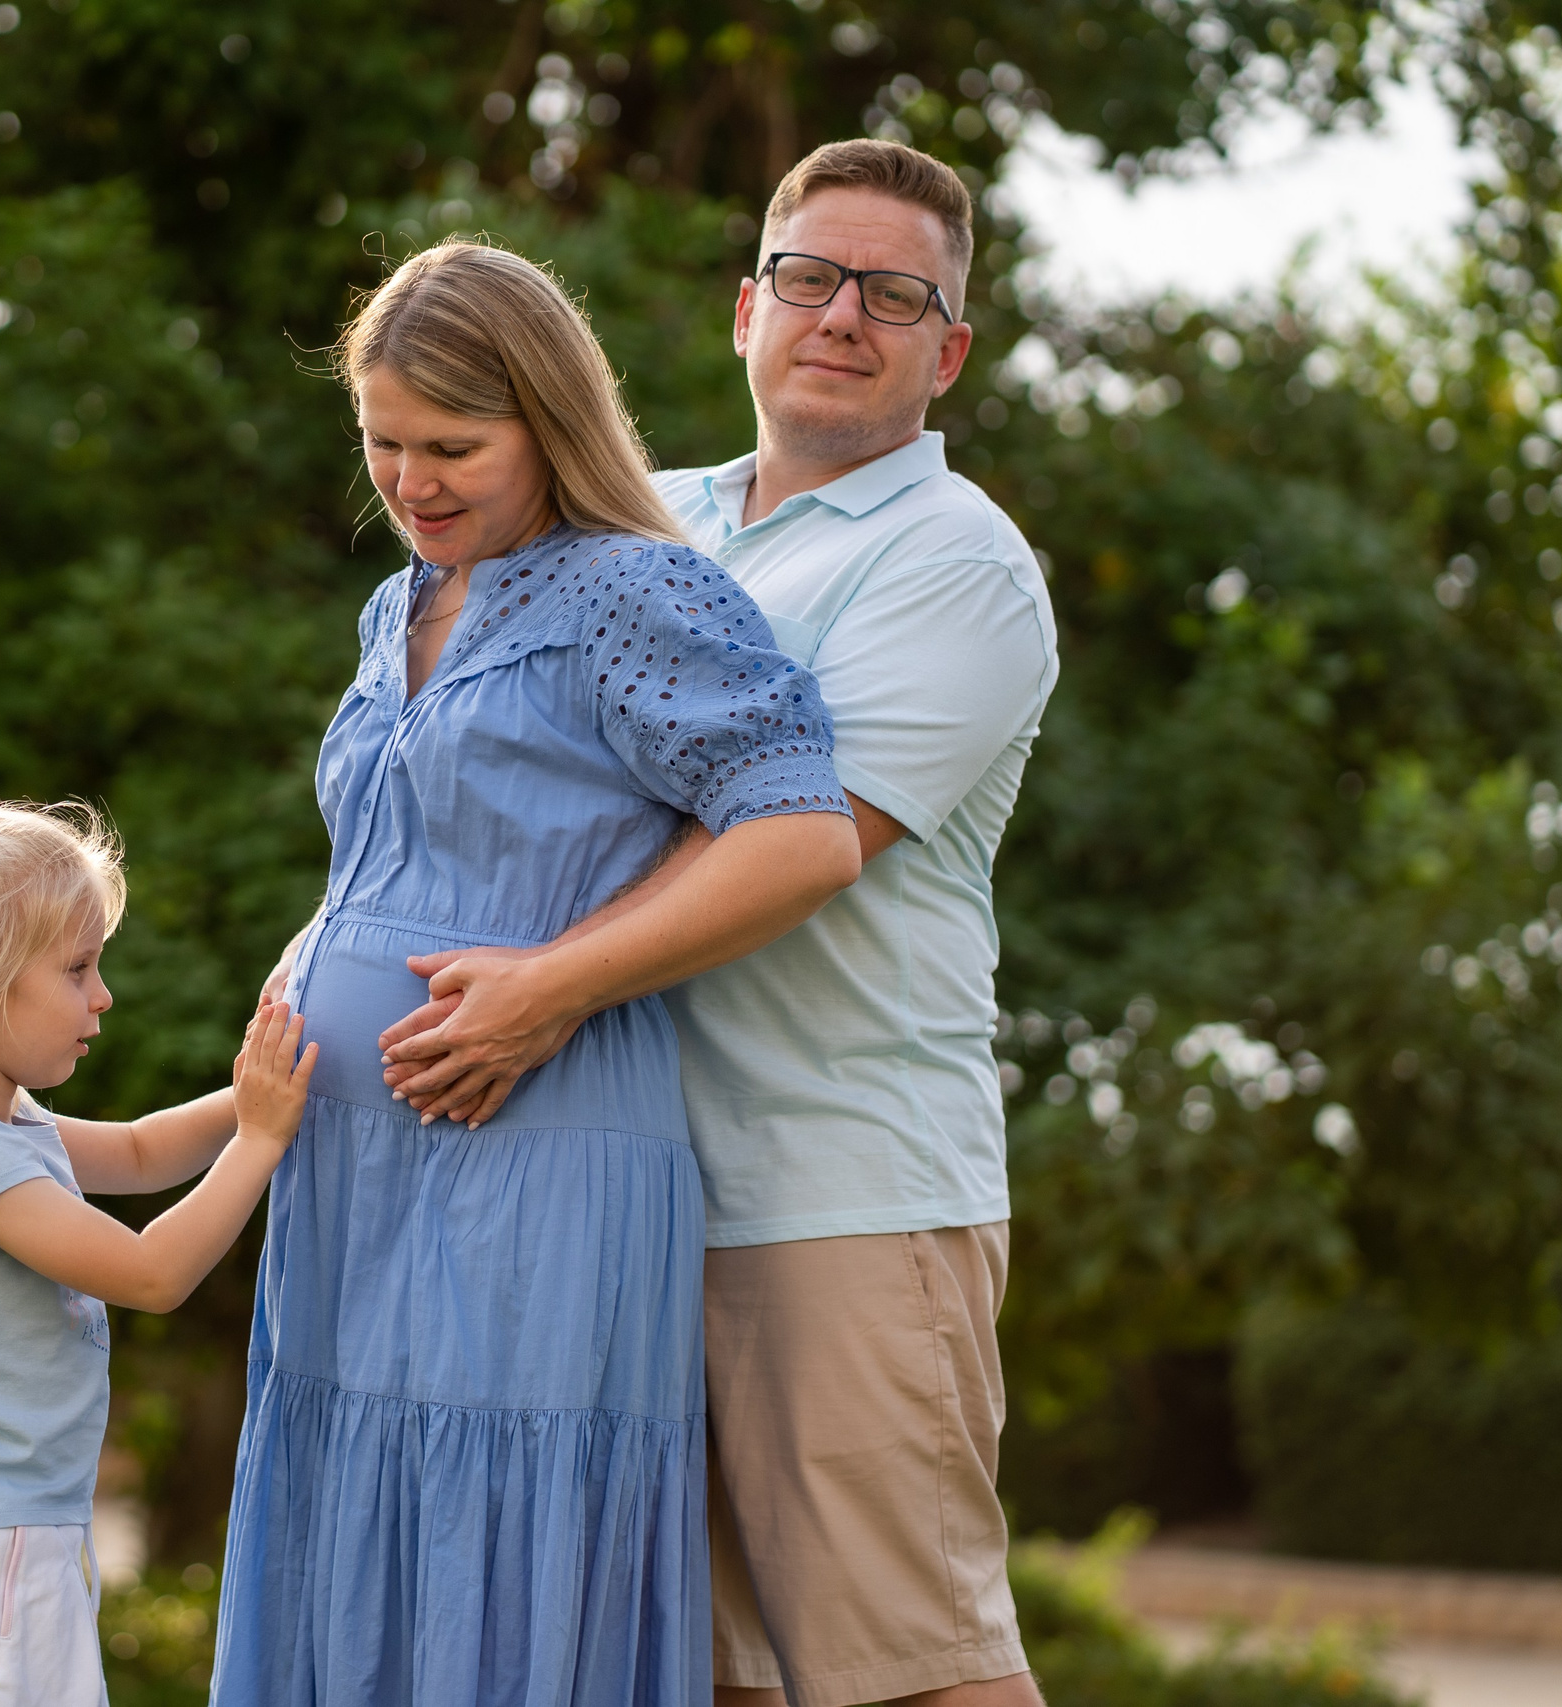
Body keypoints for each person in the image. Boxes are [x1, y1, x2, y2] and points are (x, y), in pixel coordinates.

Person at [376, 142, 1060, 1707]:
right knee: (700, 1671)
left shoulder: (958, 563)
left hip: (835, 1185)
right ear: (748, 309)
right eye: (811, 277)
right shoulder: (647, 521)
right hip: (617, 1190)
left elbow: (798, 841)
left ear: (950, 352)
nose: (845, 314)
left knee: (911, 1668)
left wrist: (545, 983)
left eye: (897, 296)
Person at [212, 242, 861, 1707]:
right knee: (348, 1523)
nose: (412, 482)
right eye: (384, 443)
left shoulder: (637, 591)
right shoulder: (401, 603)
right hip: (350, 1173)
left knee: (491, 1538)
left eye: (453, 447)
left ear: (549, 421)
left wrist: (553, 985)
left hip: (528, 1153)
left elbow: (800, 834)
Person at [0, 802, 316, 1707]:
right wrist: (261, 1140)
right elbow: (152, 1273)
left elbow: (141, 1152)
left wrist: (257, 1092)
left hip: (2, 1528)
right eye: (77, 967)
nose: (102, 994)